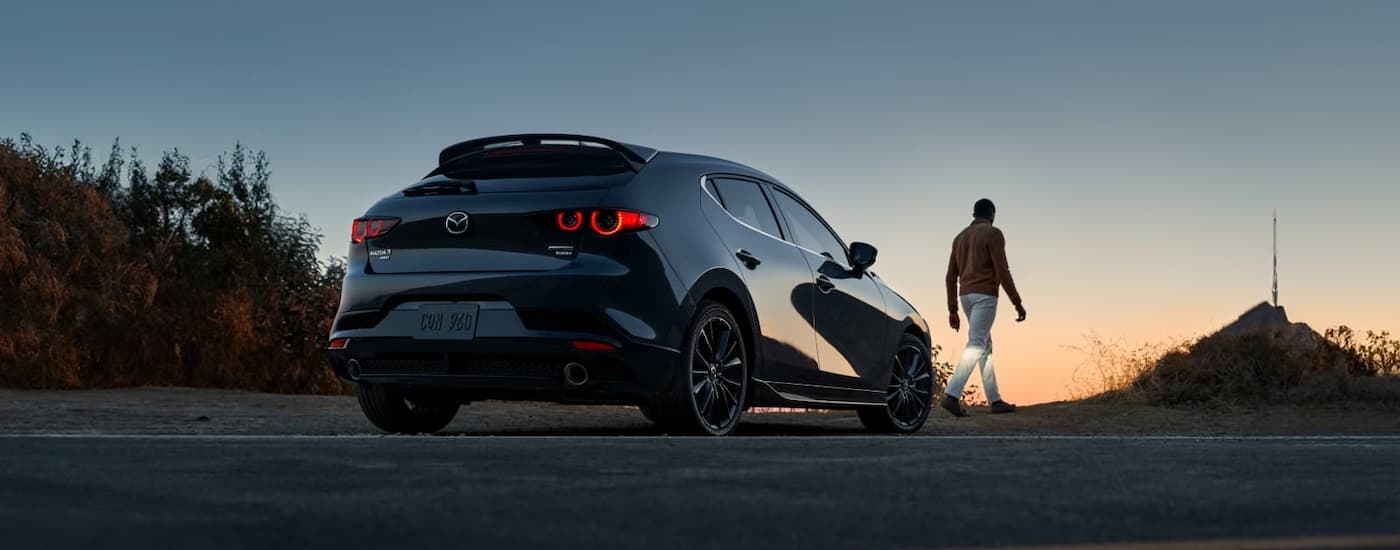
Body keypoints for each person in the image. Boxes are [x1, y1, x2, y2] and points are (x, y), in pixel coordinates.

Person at [942, 198, 1025, 417]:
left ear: (974, 214)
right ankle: (951, 394)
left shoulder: (959, 238)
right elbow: (1002, 271)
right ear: (992, 214)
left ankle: (995, 400)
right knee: (977, 344)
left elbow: (950, 276)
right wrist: (1017, 302)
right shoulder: (993, 233)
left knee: (985, 346)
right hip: (985, 295)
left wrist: (952, 309)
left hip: (965, 297)